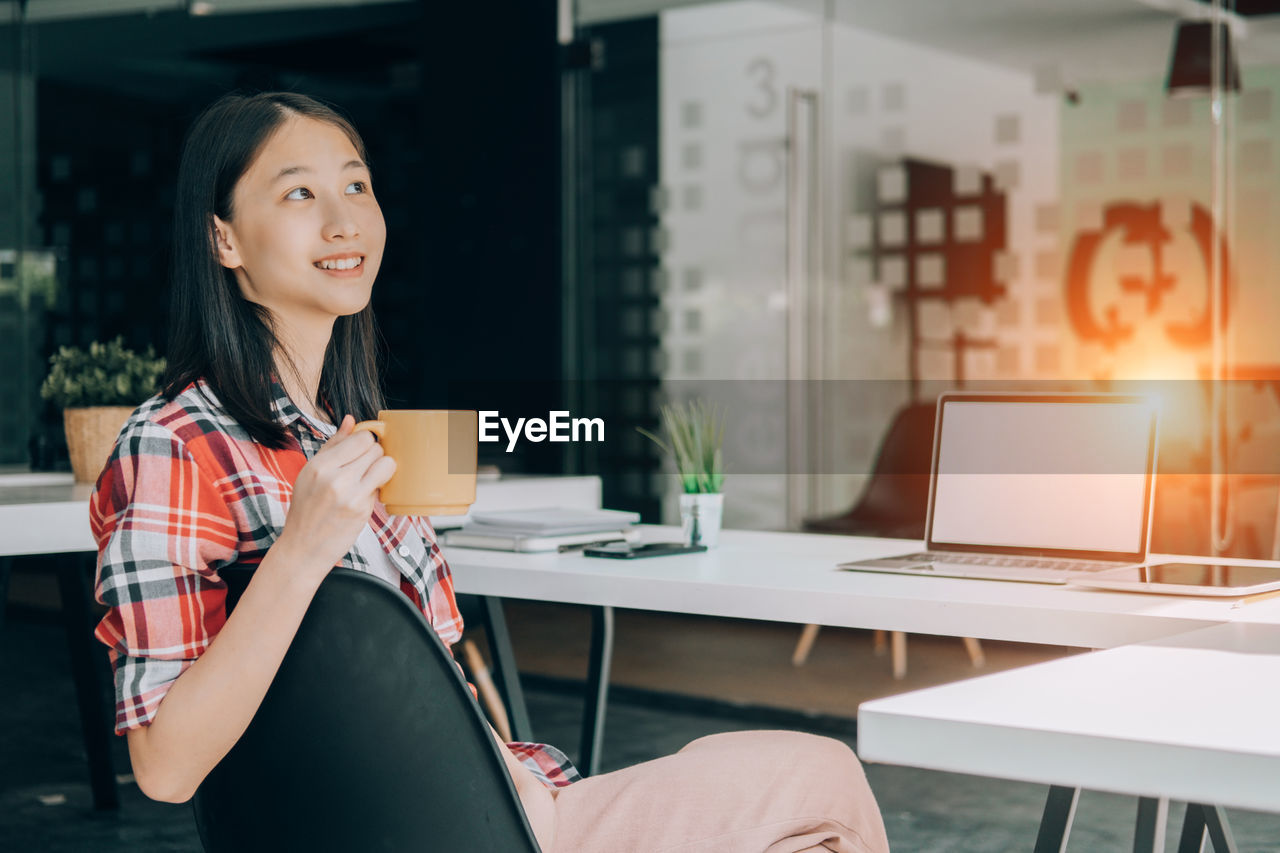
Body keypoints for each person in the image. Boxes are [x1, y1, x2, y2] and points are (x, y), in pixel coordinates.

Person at [90, 90, 890, 853]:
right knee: (823, 775)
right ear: (223, 238)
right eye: (298, 194)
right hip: (439, 828)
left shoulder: (353, 434)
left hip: (499, 800)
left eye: (356, 186)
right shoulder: (173, 445)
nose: (343, 220)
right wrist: (300, 551)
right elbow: (164, 767)